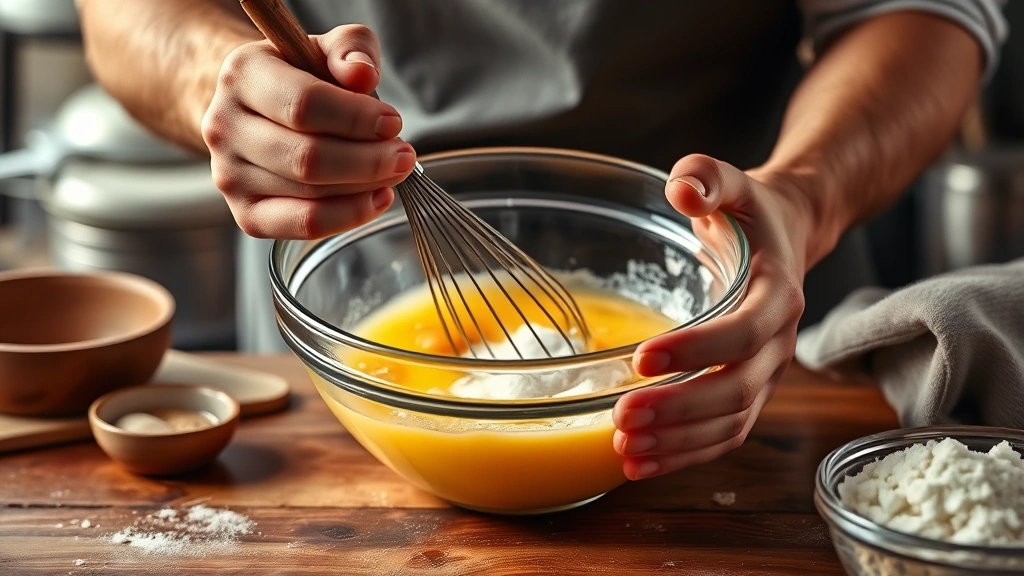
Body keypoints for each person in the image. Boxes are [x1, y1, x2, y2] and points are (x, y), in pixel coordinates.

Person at [76, 0, 1006, 482]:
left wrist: (802, 196)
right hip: (345, 248)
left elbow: (921, 14)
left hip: (740, 298)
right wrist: (219, 82)